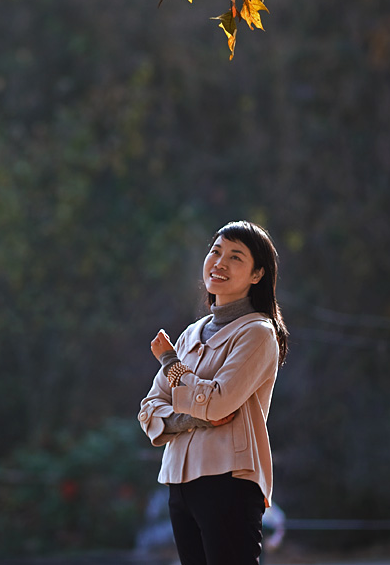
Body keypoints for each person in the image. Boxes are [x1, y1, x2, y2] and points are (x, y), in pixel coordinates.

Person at [137, 220, 289, 565]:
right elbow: (149, 411)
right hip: (179, 483)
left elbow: (221, 400)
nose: (219, 263)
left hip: (229, 480)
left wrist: (171, 364)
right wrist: (193, 419)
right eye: (216, 251)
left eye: (236, 257)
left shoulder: (257, 333)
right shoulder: (191, 333)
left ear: (257, 274)